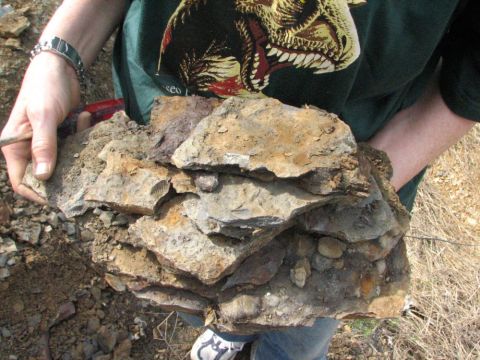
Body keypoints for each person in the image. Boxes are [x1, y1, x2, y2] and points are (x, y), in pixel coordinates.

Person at [1, 1, 478, 359]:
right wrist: (57, 56)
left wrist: (339, 200)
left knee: (297, 324)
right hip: (161, 163)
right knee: (193, 285)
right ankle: (225, 330)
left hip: (340, 193)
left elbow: (467, 84)